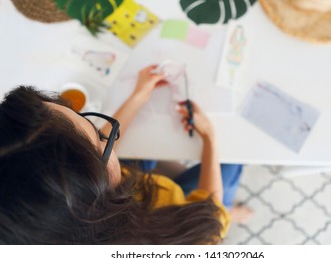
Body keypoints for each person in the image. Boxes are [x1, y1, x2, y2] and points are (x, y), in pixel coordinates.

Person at [0, 65, 250, 244]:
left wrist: (138, 97)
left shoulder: (61, 221)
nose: (107, 133)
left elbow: (83, 156)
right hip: (186, 214)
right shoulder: (177, 242)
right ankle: (234, 212)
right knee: (232, 163)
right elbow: (210, 216)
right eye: (100, 139)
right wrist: (210, 138)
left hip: (138, 188)